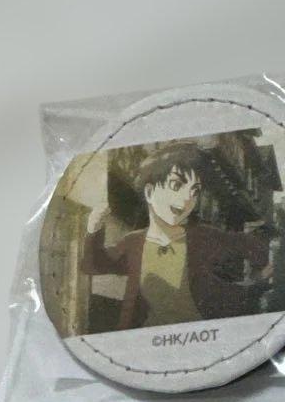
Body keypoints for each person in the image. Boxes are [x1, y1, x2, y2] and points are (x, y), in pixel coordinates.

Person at [81, 141, 272, 329]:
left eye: (194, 191)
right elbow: (93, 265)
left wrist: (257, 281)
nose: (188, 198)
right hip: (144, 340)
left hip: (199, 337)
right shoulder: (134, 242)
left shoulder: (203, 237)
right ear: (149, 192)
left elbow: (252, 246)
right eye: (176, 184)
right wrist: (93, 229)